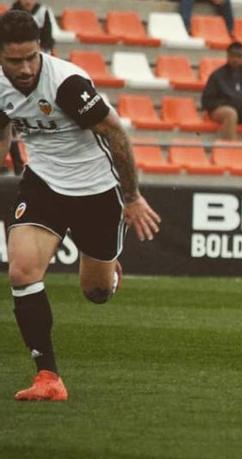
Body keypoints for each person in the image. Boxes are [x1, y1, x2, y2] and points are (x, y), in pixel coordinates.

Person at [0, 11, 161, 400]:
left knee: (96, 292)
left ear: (41, 50)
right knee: (22, 272)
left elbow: (116, 135)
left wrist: (132, 197)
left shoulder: (67, 85)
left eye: (31, 58)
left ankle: (110, 274)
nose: (24, 68)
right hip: (44, 182)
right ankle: (48, 377)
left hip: (96, 188)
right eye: (14, 60)